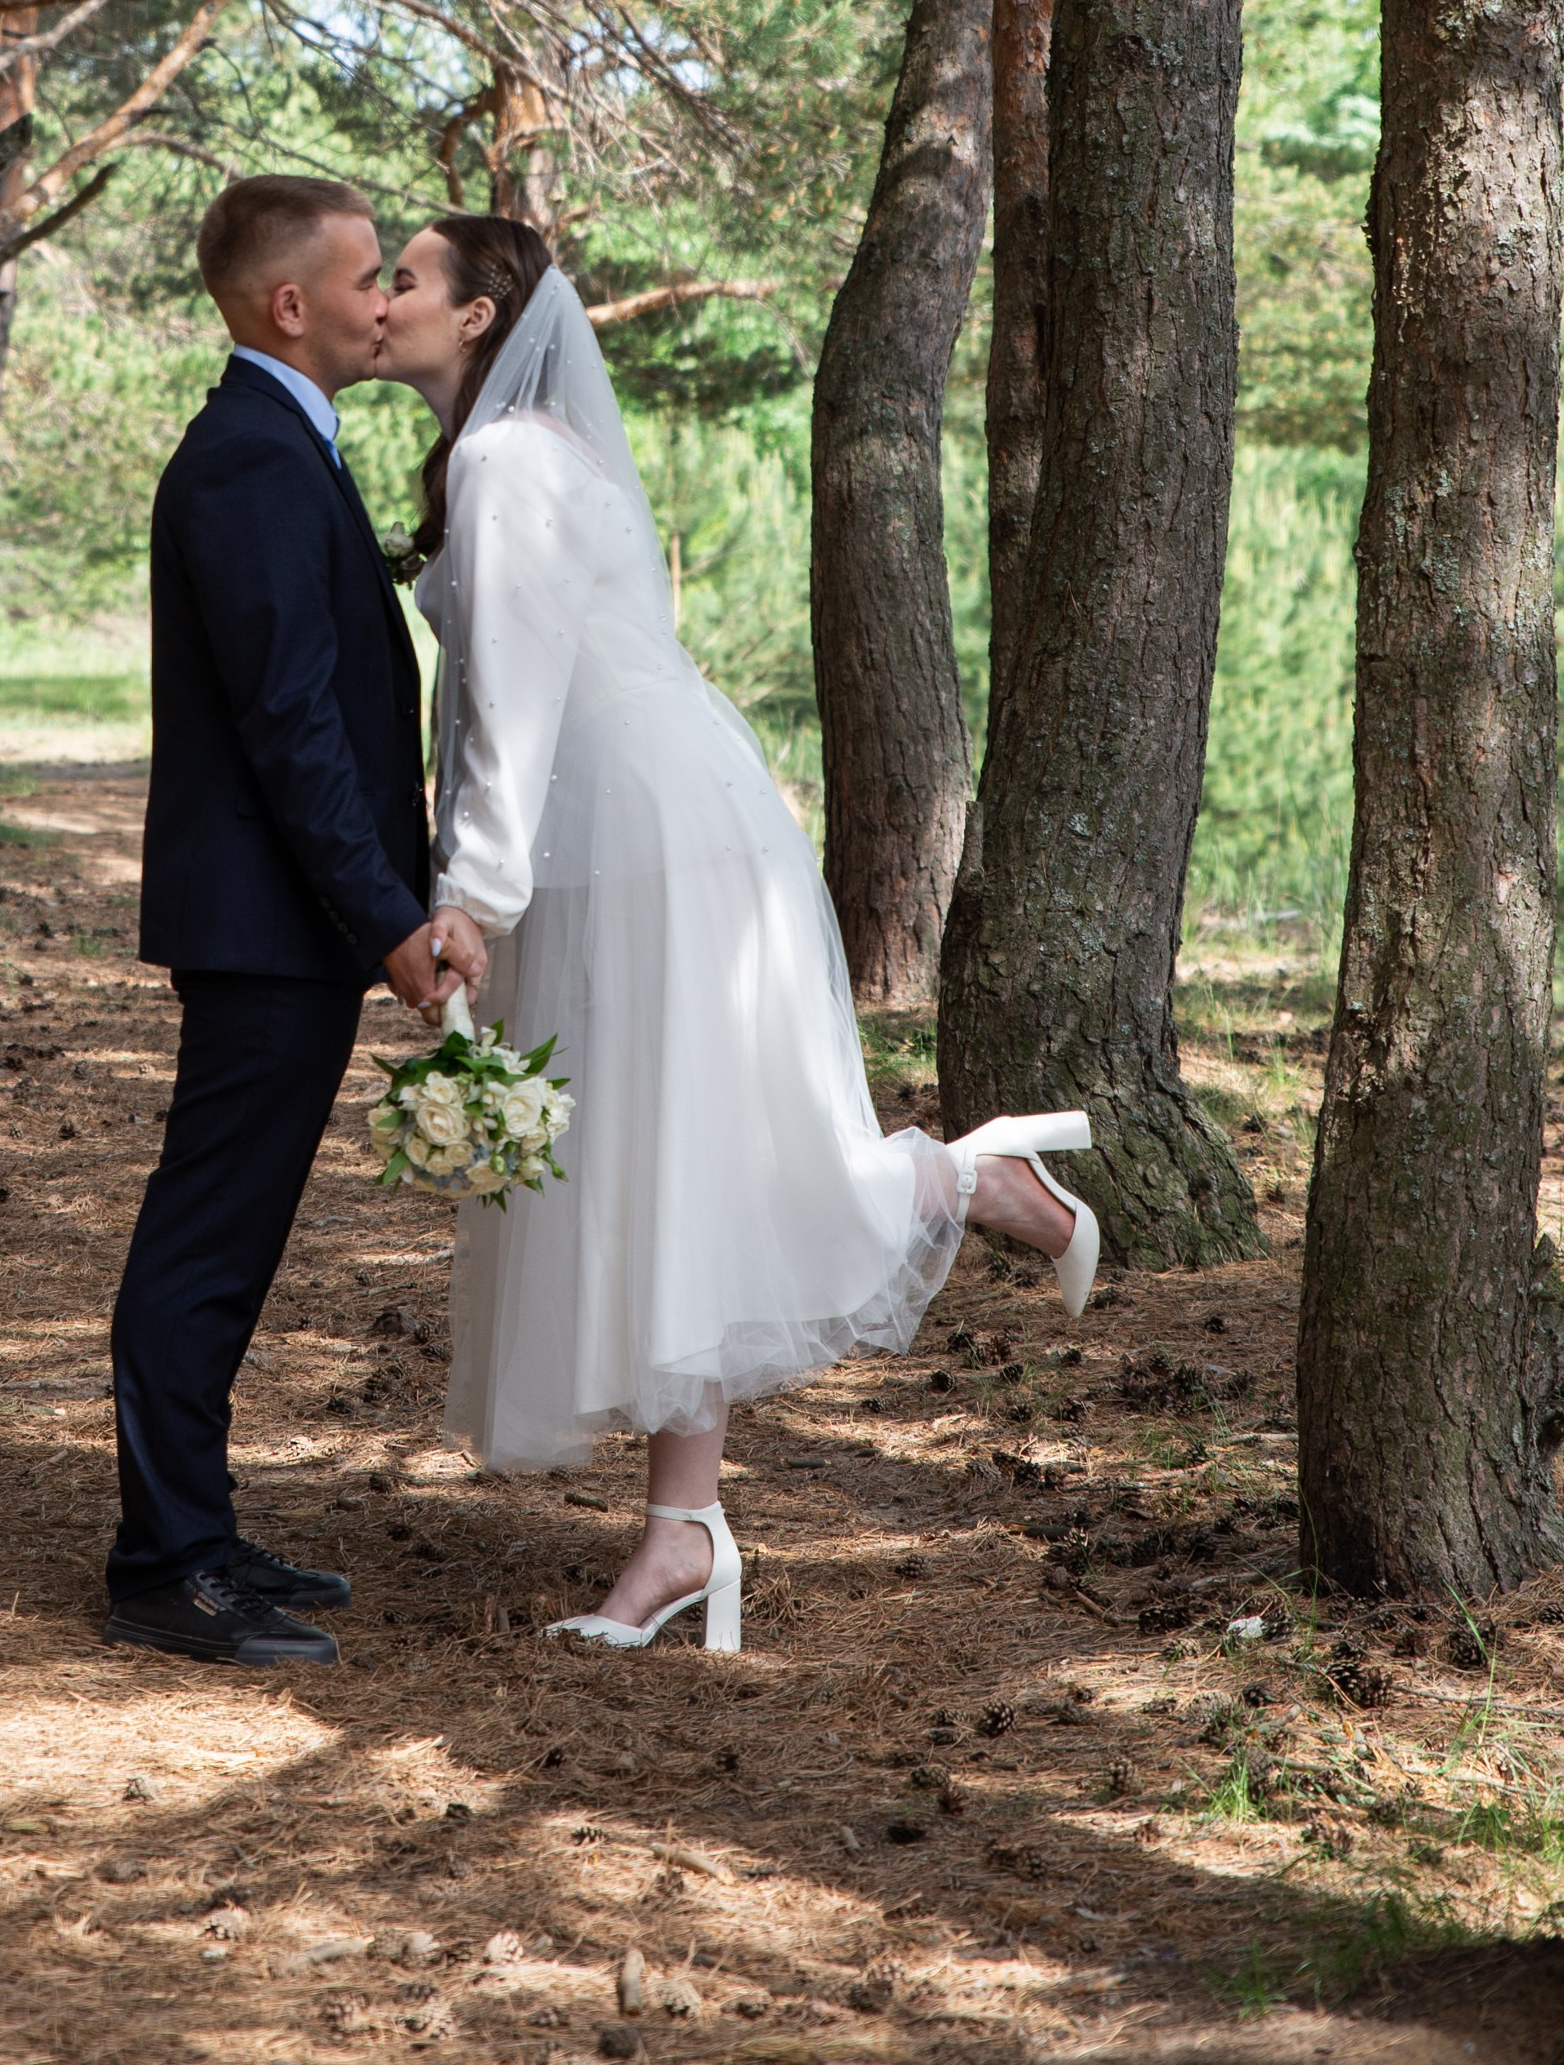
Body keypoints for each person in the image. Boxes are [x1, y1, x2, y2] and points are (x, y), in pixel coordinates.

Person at [379, 215, 1098, 1652]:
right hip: (627, 830)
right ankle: (683, 1538)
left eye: (405, 275)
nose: (380, 295)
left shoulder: (512, 460)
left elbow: (513, 706)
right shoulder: (511, 454)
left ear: (477, 315)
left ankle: (965, 1181)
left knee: (680, 1179)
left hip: (637, 844)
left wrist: (472, 896)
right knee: (663, 1192)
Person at [104, 174, 484, 1666]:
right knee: (205, 1241)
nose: (385, 294)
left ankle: (193, 1521)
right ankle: (162, 1562)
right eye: (366, 273)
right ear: (289, 305)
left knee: (233, 1236)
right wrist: (389, 921)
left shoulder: (282, 446)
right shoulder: (249, 462)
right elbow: (292, 729)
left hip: (283, 923)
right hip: (268, 924)